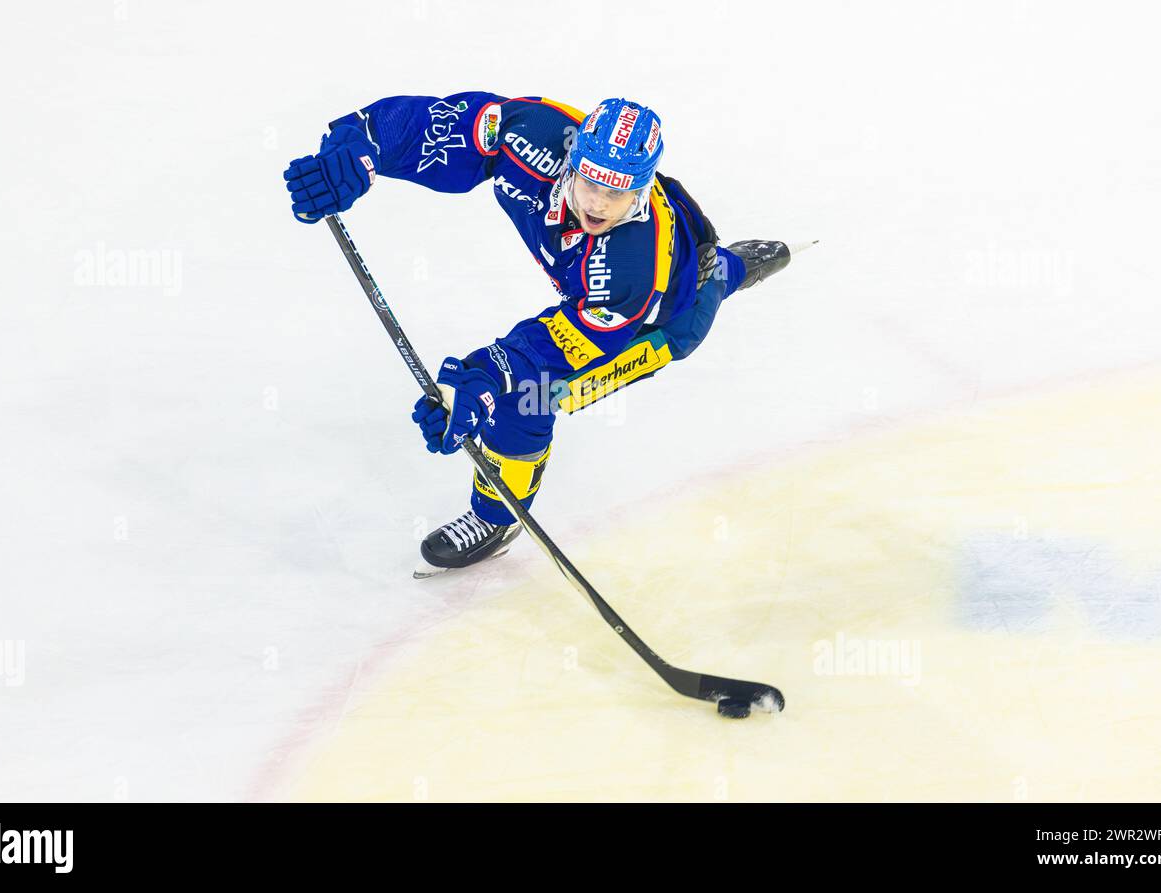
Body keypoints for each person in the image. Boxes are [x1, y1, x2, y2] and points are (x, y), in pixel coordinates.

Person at [284, 93, 797, 577]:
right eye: (589, 183)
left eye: (615, 193)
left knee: (527, 398)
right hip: (671, 263)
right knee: (710, 269)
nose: (596, 204)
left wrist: (483, 383)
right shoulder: (533, 132)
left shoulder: (632, 271)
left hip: (658, 325)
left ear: (641, 189)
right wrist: (353, 153)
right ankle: (734, 264)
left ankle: (495, 516)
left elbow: (556, 350)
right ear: (571, 157)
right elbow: (435, 125)